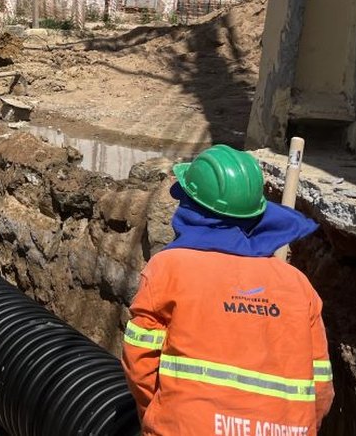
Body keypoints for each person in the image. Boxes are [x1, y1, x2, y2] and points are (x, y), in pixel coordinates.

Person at [122, 145, 334, 435]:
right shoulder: (297, 285)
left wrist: (156, 416)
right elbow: (321, 389)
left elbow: (139, 364)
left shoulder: (169, 269)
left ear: (190, 206)